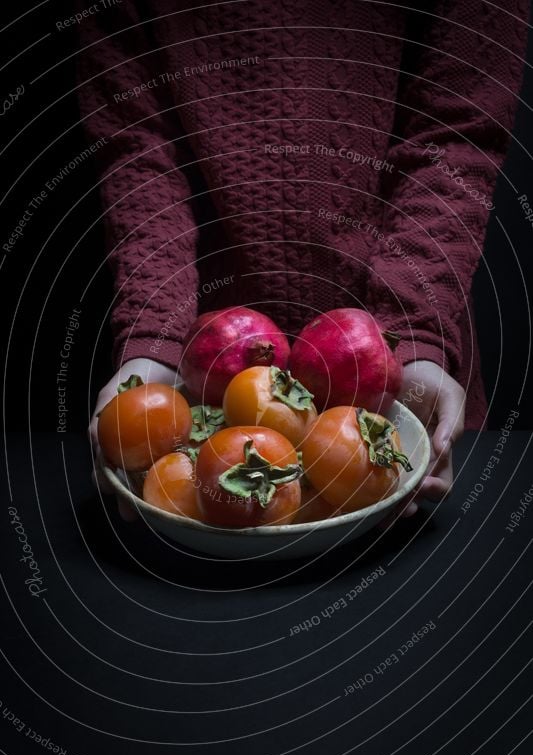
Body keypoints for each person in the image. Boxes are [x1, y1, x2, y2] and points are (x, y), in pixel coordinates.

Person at [76, 0, 528, 519]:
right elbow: (136, 144)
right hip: (195, 376)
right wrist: (152, 340)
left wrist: (418, 332)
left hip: (401, 365)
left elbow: (456, 131)